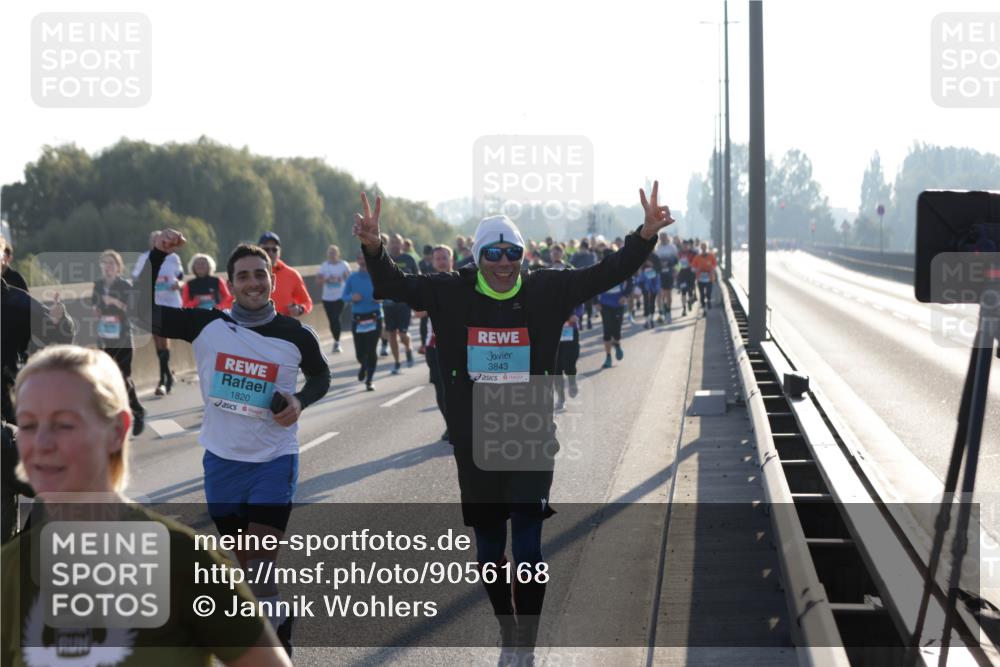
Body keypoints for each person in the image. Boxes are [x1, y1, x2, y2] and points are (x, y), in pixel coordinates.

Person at [354, 181, 673, 661]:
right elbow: (395, 285)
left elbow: (608, 272)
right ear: (478, 257)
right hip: (475, 442)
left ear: (523, 255)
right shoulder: (449, 291)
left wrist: (644, 235)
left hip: (529, 436)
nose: (504, 263)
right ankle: (507, 628)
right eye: (494, 254)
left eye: (513, 253)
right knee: (489, 552)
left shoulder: (547, 288)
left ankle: (526, 642)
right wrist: (374, 247)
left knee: (527, 548)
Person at [2, 345, 292, 667]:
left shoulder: (183, 558)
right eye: (27, 425)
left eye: (65, 424)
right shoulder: (10, 570)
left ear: (116, 431)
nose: (41, 444)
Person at [138, 230, 331, 655]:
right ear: (231, 284)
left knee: (259, 571)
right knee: (247, 575)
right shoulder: (206, 325)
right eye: (243, 276)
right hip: (222, 464)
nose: (253, 283)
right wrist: (156, 256)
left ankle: (276, 652)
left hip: (274, 461)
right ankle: (277, 621)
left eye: (260, 274)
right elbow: (140, 311)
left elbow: (322, 376)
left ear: (272, 280)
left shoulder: (296, 335)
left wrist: (300, 401)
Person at [1, 235, 76, 543]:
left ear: (4, 260)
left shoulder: (17, 302)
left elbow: (59, 338)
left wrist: (61, 321)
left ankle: (21, 548)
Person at [90, 249, 146, 436]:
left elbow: (132, 310)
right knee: (105, 378)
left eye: (111, 263)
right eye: (105, 263)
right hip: (105, 335)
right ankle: (116, 416)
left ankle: (137, 411)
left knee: (123, 376)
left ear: (118, 267)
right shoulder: (98, 285)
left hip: (123, 335)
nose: (108, 266)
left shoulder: (124, 285)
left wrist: (114, 301)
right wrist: (97, 310)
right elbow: (95, 306)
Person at [133, 231, 184, 395]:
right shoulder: (144, 257)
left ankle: (164, 377)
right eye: (155, 240)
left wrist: (179, 284)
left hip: (170, 301)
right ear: (152, 243)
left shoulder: (173, 258)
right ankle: (166, 376)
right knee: (158, 338)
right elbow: (136, 277)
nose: (159, 242)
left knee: (164, 336)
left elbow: (180, 276)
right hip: (152, 300)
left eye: (161, 239)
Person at [413, 245, 453, 439]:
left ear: (451, 259)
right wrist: (438, 304)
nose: (441, 261)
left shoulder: (461, 282)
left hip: (458, 345)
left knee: (459, 388)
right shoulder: (428, 283)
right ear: (433, 262)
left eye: (444, 257)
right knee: (441, 388)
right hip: (434, 346)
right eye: (437, 258)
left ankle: (463, 424)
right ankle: (450, 426)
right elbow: (418, 312)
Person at [344, 250, 382, 391]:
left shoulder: (377, 276)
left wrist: (380, 298)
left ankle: (369, 380)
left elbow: (388, 294)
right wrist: (352, 298)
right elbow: (344, 296)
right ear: (357, 261)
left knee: (371, 349)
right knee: (360, 353)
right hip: (358, 319)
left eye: (364, 258)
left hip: (374, 317)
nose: (362, 261)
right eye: (360, 258)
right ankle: (364, 365)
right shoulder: (352, 278)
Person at [383, 234, 419, 374]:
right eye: (392, 242)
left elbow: (417, 277)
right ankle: (397, 362)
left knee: (403, 334)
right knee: (391, 334)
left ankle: (409, 349)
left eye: (397, 242)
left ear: (402, 244)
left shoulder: (409, 259)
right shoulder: (383, 259)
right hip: (388, 303)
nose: (395, 245)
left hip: (404, 303)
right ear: (388, 244)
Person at [258, 232, 313, 318]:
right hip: (254, 325)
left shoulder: (292, 274)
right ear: (258, 250)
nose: (270, 253)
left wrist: (299, 309)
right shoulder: (248, 273)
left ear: (279, 252)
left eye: (274, 250)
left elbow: (307, 302)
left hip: (284, 324)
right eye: (266, 249)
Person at [317, 244, 351, 354]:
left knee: (336, 318)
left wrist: (344, 277)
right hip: (327, 298)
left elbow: (350, 279)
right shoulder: (324, 266)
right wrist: (326, 279)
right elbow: (318, 281)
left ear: (338, 254)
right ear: (328, 254)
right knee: (332, 320)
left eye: (334, 253)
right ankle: (336, 340)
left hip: (340, 296)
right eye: (330, 253)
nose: (332, 255)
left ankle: (337, 342)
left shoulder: (344, 265)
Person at [597, 276, 628, 368]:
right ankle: (608, 357)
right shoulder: (600, 270)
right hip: (604, 304)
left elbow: (630, 281)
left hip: (618, 303)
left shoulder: (621, 269)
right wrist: (595, 302)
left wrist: (625, 295)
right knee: (607, 330)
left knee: (616, 330)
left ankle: (617, 344)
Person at [654, 232, 678, 323]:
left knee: (668, 294)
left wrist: (676, 271)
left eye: (664, 237)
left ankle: (668, 312)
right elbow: (655, 262)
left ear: (667, 237)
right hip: (660, 274)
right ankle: (661, 312)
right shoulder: (657, 248)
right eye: (661, 237)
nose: (663, 239)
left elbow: (677, 261)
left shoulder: (672, 247)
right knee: (660, 294)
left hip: (669, 274)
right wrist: (659, 265)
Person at [692, 241, 718, 311]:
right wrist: (697, 269)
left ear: (707, 248)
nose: (703, 249)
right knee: (702, 294)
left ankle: (708, 301)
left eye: (705, 247)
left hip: (709, 278)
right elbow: (693, 268)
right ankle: (703, 307)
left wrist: (712, 269)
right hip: (700, 278)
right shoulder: (697, 257)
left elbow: (715, 265)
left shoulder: (711, 256)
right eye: (702, 247)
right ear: (700, 248)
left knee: (708, 293)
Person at [637, 257, 661, 329]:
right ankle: (648, 321)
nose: (649, 263)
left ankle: (650, 320)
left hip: (653, 290)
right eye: (648, 261)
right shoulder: (644, 271)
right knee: (647, 304)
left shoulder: (654, 270)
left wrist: (657, 289)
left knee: (651, 304)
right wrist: (643, 288)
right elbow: (640, 281)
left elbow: (657, 281)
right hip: (646, 290)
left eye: (650, 262)